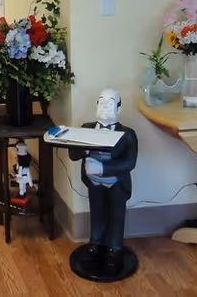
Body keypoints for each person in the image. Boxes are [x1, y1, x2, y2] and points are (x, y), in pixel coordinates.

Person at [67, 88, 138, 278]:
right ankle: (96, 243)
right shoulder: (86, 128)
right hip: (94, 184)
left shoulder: (127, 134)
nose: (105, 106)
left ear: (119, 108)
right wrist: (86, 151)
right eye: (102, 102)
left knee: (117, 215)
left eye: (111, 102)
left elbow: (130, 162)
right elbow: (73, 154)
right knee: (96, 213)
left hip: (116, 183)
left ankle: (115, 248)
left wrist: (104, 169)